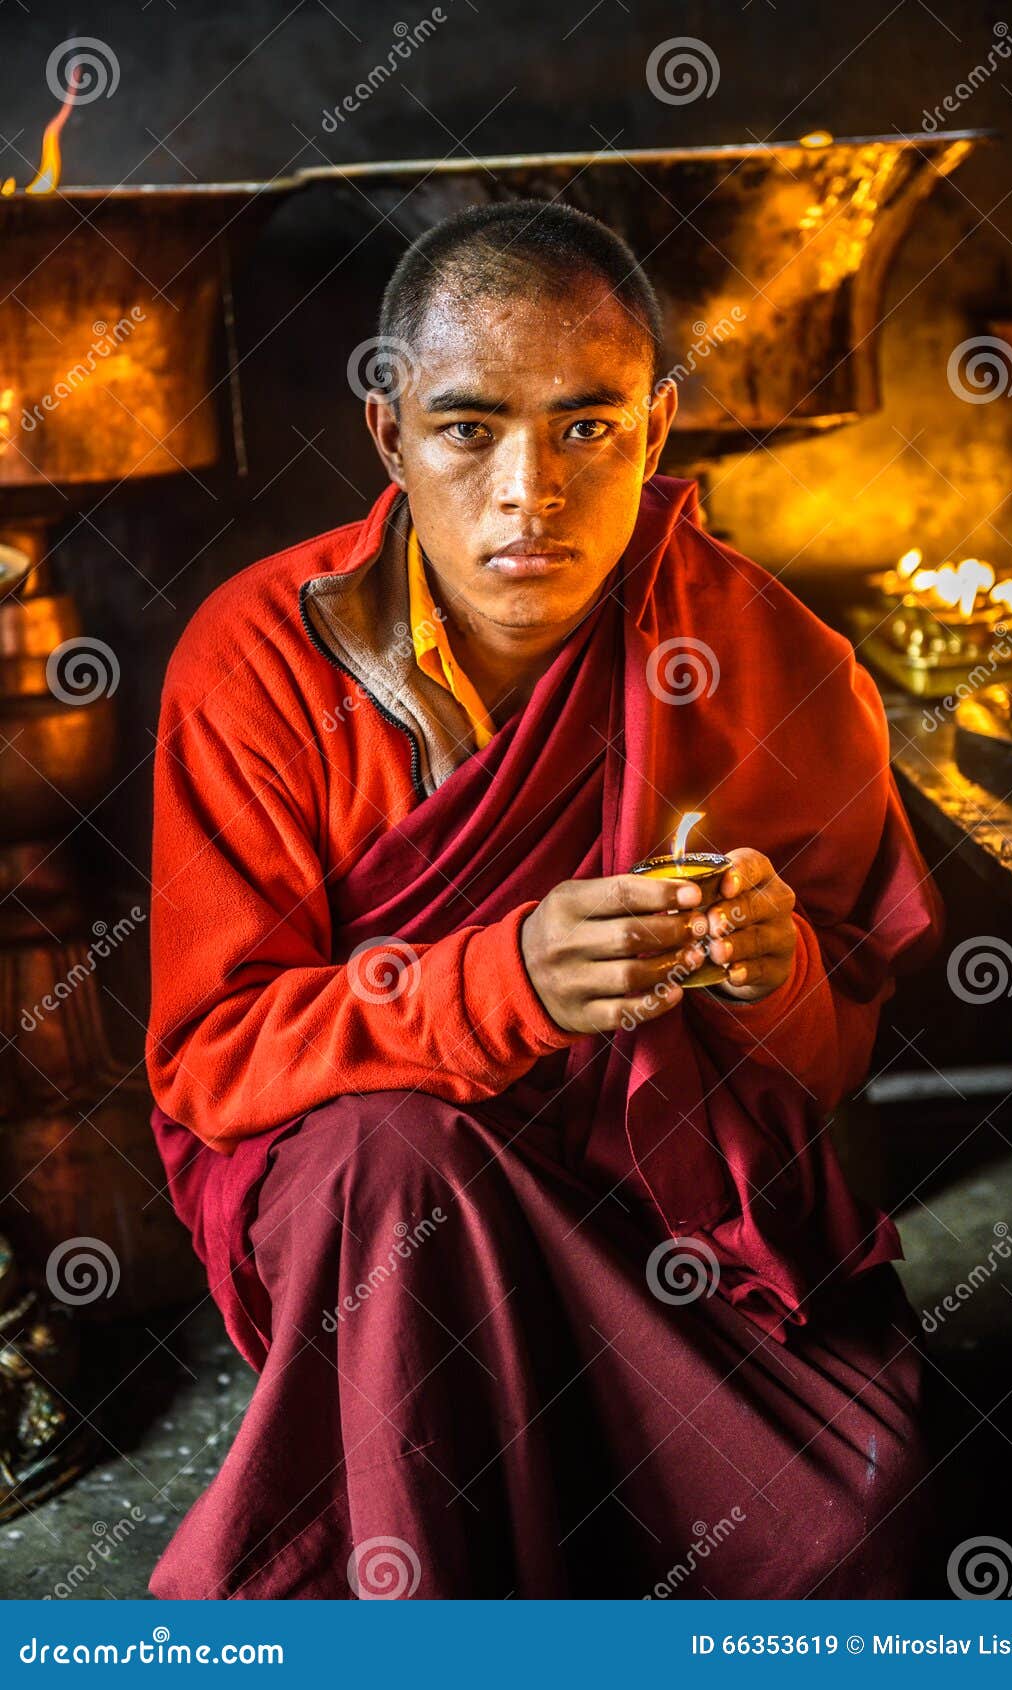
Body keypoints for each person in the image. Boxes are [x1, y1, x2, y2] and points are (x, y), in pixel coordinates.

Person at [144, 198, 946, 1600]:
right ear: (390, 433)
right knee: (396, 1154)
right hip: (369, 1216)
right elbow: (214, 1057)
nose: (532, 489)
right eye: (471, 429)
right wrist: (506, 980)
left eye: (588, 426)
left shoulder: (775, 663)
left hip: (657, 1207)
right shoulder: (262, 658)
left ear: (658, 425)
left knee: (848, 1534)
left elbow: (822, 1076)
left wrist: (772, 979)